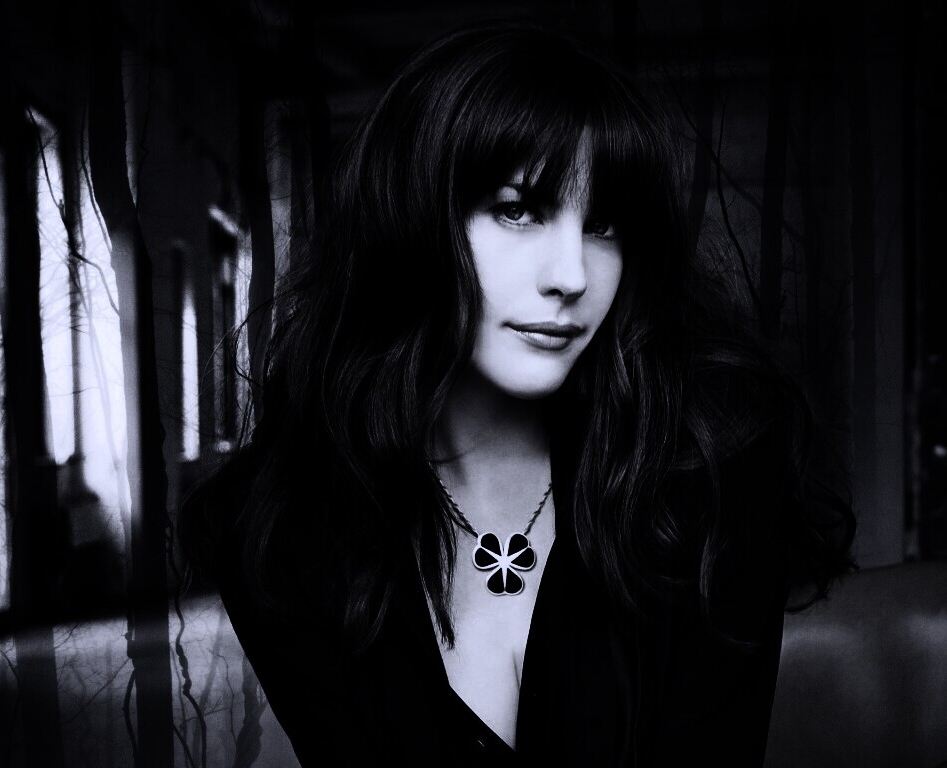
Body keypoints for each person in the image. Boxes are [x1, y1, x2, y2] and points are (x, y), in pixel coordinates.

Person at [181, 21, 854, 766]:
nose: (571, 275)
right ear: (411, 216)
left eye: (603, 224)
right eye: (518, 209)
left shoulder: (708, 478)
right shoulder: (280, 529)